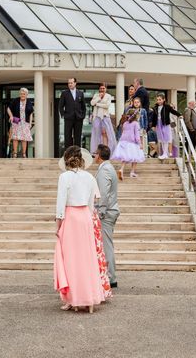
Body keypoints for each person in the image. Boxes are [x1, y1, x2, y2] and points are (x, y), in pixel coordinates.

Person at [54, 146, 106, 313]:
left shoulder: (64, 177)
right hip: (85, 216)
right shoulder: (90, 177)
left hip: (71, 217)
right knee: (87, 257)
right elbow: (91, 203)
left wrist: (58, 223)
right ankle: (89, 298)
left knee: (71, 259)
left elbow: (60, 202)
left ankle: (73, 299)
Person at [94, 144, 119, 288]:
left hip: (107, 211)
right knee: (106, 244)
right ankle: (108, 274)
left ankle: (111, 277)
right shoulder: (108, 168)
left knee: (106, 245)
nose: (94, 156)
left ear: (99, 155)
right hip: (111, 209)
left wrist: (101, 211)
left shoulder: (104, 170)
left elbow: (103, 193)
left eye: (95, 154)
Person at [111, 108, 145, 179]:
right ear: (136, 116)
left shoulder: (125, 123)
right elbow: (137, 135)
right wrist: (140, 143)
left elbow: (123, 133)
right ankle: (132, 172)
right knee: (135, 158)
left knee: (125, 157)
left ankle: (121, 169)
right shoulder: (136, 124)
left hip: (123, 141)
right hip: (132, 142)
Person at [150, 92, 181, 159]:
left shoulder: (167, 106)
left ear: (164, 99)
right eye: (157, 99)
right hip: (159, 124)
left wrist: (179, 115)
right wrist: (153, 125)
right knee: (161, 139)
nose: (158, 101)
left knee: (166, 139)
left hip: (165, 124)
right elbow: (154, 117)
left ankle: (165, 153)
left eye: (160, 99)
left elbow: (173, 111)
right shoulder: (155, 107)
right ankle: (164, 153)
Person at [58, 78, 86, 149]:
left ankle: (77, 154)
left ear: (75, 83)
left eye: (71, 83)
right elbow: (60, 106)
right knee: (68, 137)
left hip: (78, 118)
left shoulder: (80, 93)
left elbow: (83, 106)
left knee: (78, 137)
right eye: (68, 83)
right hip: (68, 118)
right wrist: (63, 115)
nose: (70, 84)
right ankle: (68, 154)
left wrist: (82, 116)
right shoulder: (64, 93)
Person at [90, 83, 117, 154]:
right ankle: (97, 150)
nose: (102, 90)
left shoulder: (108, 96)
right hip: (97, 117)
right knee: (96, 134)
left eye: (103, 88)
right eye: (101, 88)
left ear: (106, 89)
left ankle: (106, 150)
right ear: (99, 89)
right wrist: (99, 98)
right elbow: (92, 103)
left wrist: (98, 104)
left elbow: (107, 106)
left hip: (105, 117)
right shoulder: (96, 95)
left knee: (106, 133)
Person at [7, 87, 34, 158]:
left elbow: (31, 113)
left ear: (26, 94)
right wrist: (11, 116)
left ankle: (24, 154)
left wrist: (30, 123)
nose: (22, 95)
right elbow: (8, 109)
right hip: (16, 120)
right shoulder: (16, 100)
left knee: (24, 138)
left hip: (25, 122)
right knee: (15, 138)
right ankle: (15, 153)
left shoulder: (29, 102)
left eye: (24, 94)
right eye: (21, 94)